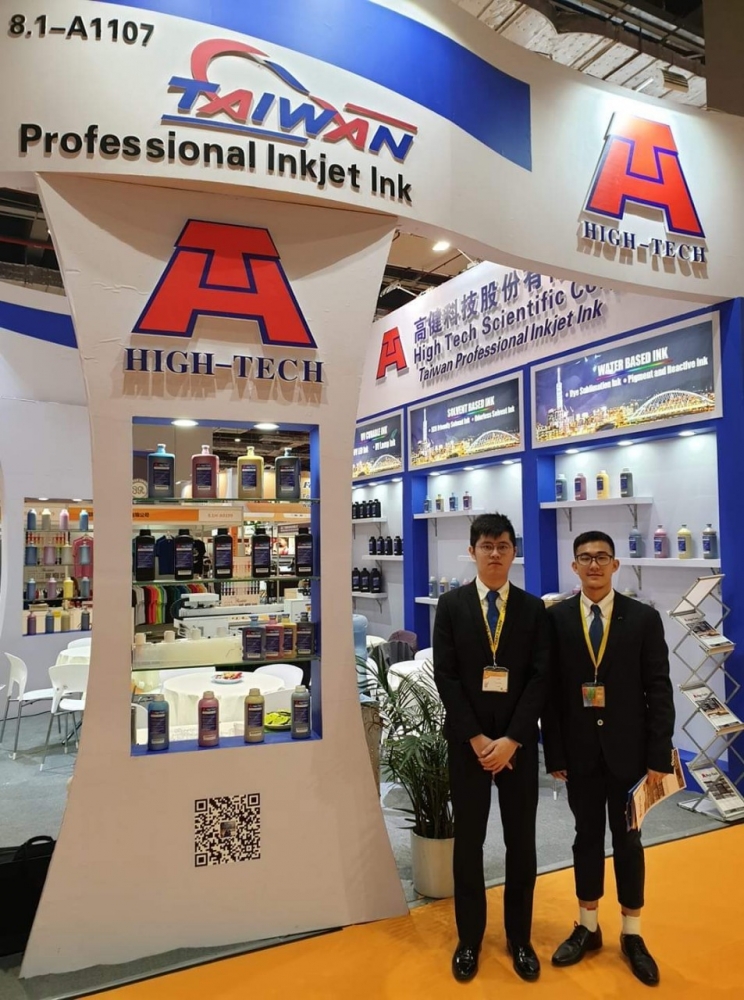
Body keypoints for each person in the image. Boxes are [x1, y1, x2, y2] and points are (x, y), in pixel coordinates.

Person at [542, 530, 675, 987]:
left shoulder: (643, 619)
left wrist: (658, 754)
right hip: (578, 753)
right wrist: (554, 752)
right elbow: (551, 696)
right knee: (585, 838)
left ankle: (632, 933)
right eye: (585, 558)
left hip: (630, 755)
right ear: (574, 567)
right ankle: (587, 926)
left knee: (629, 842)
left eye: (602, 557)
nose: (594, 565)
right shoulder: (557, 619)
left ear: (616, 565)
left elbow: (658, 688)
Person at [433, 512, 550, 984]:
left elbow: (540, 677)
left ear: (513, 551)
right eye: (486, 546)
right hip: (470, 745)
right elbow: (447, 677)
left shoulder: (533, 610)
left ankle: (520, 939)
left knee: (521, 843)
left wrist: (513, 739)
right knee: (469, 843)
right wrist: (479, 739)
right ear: (472, 551)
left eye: (503, 546)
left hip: (517, 747)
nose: (495, 554)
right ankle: (469, 940)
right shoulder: (451, 606)